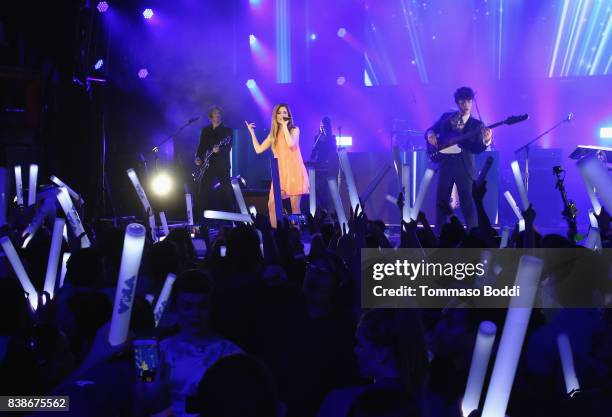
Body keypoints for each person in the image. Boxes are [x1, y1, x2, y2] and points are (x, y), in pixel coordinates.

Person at [425, 87, 492, 229]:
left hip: (464, 167)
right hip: (446, 164)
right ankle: (439, 237)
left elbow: (477, 149)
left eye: (469, 101)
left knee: (467, 204)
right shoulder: (446, 117)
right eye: (462, 102)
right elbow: (430, 129)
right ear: (457, 102)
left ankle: (472, 237)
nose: (466, 105)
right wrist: (430, 134)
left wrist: (486, 141)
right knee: (441, 203)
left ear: (472, 102)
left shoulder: (477, 125)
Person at [245, 103, 309, 228]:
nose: (282, 115)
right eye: (279, 113)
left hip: (294, 171)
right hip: (279, 173)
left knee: (295, 207)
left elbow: (290, 144)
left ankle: (296, 234)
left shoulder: (295, 130)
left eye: (285, 112)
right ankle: (276, 232)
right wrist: (252, 133)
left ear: (289, 115)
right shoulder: (273, 135)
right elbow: (258, 149)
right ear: (275, 116)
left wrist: (285, 127)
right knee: (272, 204)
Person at [195, 106, 234, 216]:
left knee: (226, 191)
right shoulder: (205, 130)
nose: (218, 115)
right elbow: (201, 146)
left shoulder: (227, 130)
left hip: (222, 165)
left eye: (219, 113)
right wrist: (198, 157)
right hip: (207, 165)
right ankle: (199, 217)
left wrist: (219, 150)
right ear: (210, 117)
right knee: (203, 192)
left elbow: (228, 147)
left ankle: (231, 218)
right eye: (215, 113)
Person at [308, 116, 339, 214]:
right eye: (321, 125)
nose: (322, 127)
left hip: (329, 167)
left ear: (328, 126)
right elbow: (313, 154)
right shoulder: (316, 138)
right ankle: (320, 211)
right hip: (319, 167)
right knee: (318, 190)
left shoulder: (332, 138)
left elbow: (334, 151)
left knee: (328, 191)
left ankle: (328, 212)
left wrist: (327, 136)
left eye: (324, 125)